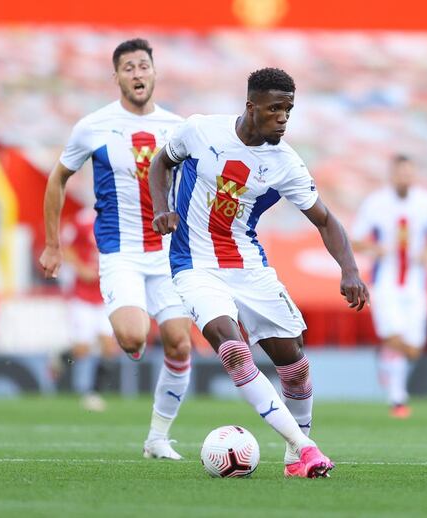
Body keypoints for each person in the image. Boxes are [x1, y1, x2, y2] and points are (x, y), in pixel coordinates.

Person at [148, 67, 369, 478]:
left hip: (249, 268)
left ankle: (292, 460)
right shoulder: (200, 131)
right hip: (195, 265)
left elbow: (325, 219)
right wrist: (162, 207)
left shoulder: (285, 163)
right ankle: (304, 447)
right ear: (251, 107)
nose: (283, 117)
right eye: (275, 109)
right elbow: (160, 164)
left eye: (289, 109)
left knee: (296, 366)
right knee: (232, 349)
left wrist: (350, 270)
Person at [39, 39, 194, 460]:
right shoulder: (94, 126)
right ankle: (129, 340)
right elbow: (57, 179)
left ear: (155, 73)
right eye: (129, 68)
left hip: (167, 254)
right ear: (117, 77)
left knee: (181, 343)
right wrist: (54, 245)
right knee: (130, 337)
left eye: (144, 65)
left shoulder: (178, 127)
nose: (138, 74)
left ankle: (157, 439)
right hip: (120, 252)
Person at [351, 155, 427, 418]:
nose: (405, 178)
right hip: (385, 282)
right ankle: (398, 398)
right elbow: (355, 240)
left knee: (413, 348)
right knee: (393, 336)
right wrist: (375, 248)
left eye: (408, 173)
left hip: (416, 283)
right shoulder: (376, 203)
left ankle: (386, 363)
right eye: (400, 173)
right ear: (391, 175)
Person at [60, 208, 117, 412]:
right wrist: (81, 268)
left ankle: (94, 393)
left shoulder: (118, 218)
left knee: (109, 345)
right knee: (82, 349)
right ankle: (59, 359)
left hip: (105, 295)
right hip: (82, 296)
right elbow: (65, 247)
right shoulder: (82, 219)